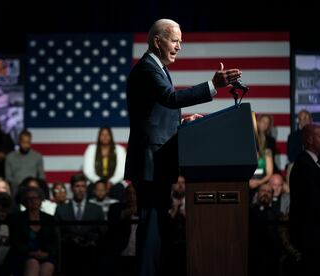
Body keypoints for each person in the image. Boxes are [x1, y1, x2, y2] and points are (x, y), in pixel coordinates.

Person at [124, 18, 242, 276]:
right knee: (150, 229)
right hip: (151, 161)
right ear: (158, 41)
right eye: (175, 40)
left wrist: (182, 120)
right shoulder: (147, 68)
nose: (179, 46)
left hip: (158, 160)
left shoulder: (159, 68)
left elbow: (156, 111)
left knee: (156, 229)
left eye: (180, 42)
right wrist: (213, 86)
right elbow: (170, 99)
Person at [289, 123, 320, 275]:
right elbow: (312, 202)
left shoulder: (312, 163)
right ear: (309, 140)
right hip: (309, 236)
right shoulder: (304, 165)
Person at [11, 186, 59, 276]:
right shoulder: (17, 219)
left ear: (40, 200)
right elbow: (16, 242)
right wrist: (31, 253)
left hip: (46, 255)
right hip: (24, 255)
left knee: (47, 268)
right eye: (30, 198)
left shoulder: (49, 219)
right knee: (33, 264)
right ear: (24, 201)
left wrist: (46, 253)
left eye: (36, 198)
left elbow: (54, 242)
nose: (33, 201)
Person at [83, 126, 127, 200]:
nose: (105, 137)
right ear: (99, 136)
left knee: (120, 188)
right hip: (95, 182)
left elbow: (122, 170)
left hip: (114, 183)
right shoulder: (91, 149)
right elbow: (88, 170)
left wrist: (111, 182)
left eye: (107, 134)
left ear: (111, 136)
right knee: (90, 189)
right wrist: (99, 183)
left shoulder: (119, 149)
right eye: (102, 134)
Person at [5, 130, 45, 196]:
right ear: (19, 142)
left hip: (33, 189)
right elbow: (8, 177)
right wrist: (18, 185)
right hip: (16, 189)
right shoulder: (10, 157)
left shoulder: (37, 156)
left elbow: (41, 176)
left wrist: (34, 184)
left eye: (28, 142)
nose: (26, 145)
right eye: (23, 142)